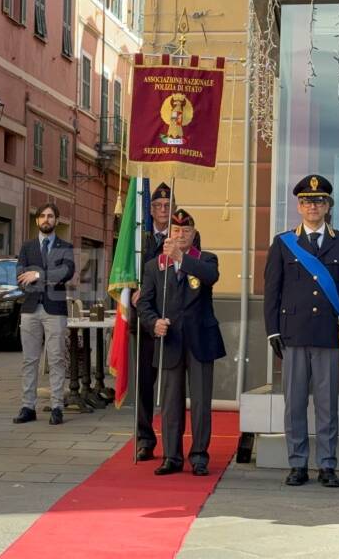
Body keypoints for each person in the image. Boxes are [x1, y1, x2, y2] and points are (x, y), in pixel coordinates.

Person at [263, 174, 339, 488]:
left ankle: (327, 464)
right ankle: (297, 464)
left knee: (327, 404)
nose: (313, 206)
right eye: (307, 201)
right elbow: (272, 291)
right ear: (299, 206)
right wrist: (273, 332)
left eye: (319, 201)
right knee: (294, 404)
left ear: (328, 205)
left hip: (328, 335)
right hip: (293, 333)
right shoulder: (283, 243)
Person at [137, 208, 225, 476]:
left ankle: (199, 455)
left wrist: (181, 258)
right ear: (169, 233)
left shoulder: (206, 260)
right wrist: (154, 323)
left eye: (186, 231)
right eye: (176, 231)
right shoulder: (154, 266)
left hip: (200, 340)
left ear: (194, 234)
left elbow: (210, 278)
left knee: (200, 402)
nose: (181, 235)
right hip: (171, 341)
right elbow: (145, 304)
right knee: (171, 403)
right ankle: (172, 456)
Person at [13, 203, 76, 426]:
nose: (46, 220)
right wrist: (43, 277)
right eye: (42, 216)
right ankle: (27, 406)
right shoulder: (27, 247)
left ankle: (57, 406)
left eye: (50, 216)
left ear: (56, 221)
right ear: (37, 220)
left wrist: (37, 275)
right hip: (30, 309)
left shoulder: (65, 246)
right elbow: (20, 276)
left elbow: (66, 273)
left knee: (57, 359)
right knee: (29, 360)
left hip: (55, 310)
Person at [134, 182, 172, 460]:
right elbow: (123, 271)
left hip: (172, 320)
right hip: (146, 320)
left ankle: (172, 441)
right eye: (158, 206)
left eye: (167, 205)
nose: (162, 210)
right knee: (145, 383)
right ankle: (145, 439)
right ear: (150, 209)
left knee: (172, 385)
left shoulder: (185, 236)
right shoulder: (139, 240)